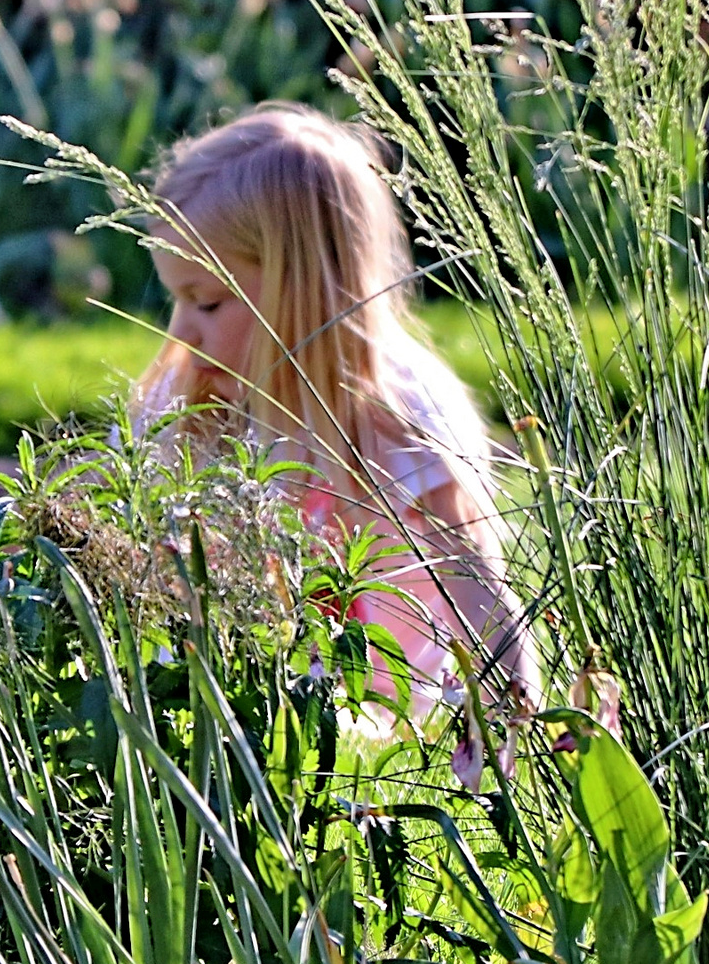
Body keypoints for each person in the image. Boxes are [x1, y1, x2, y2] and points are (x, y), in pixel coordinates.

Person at [131, 102, 538, 725]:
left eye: (208, 303)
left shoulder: (398, 417)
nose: (181, 331)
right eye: (177, 299)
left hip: (396, 732)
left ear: (303, 294)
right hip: (244, 718)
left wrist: (515, 706)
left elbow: (475, 579)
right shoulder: (194, 403)